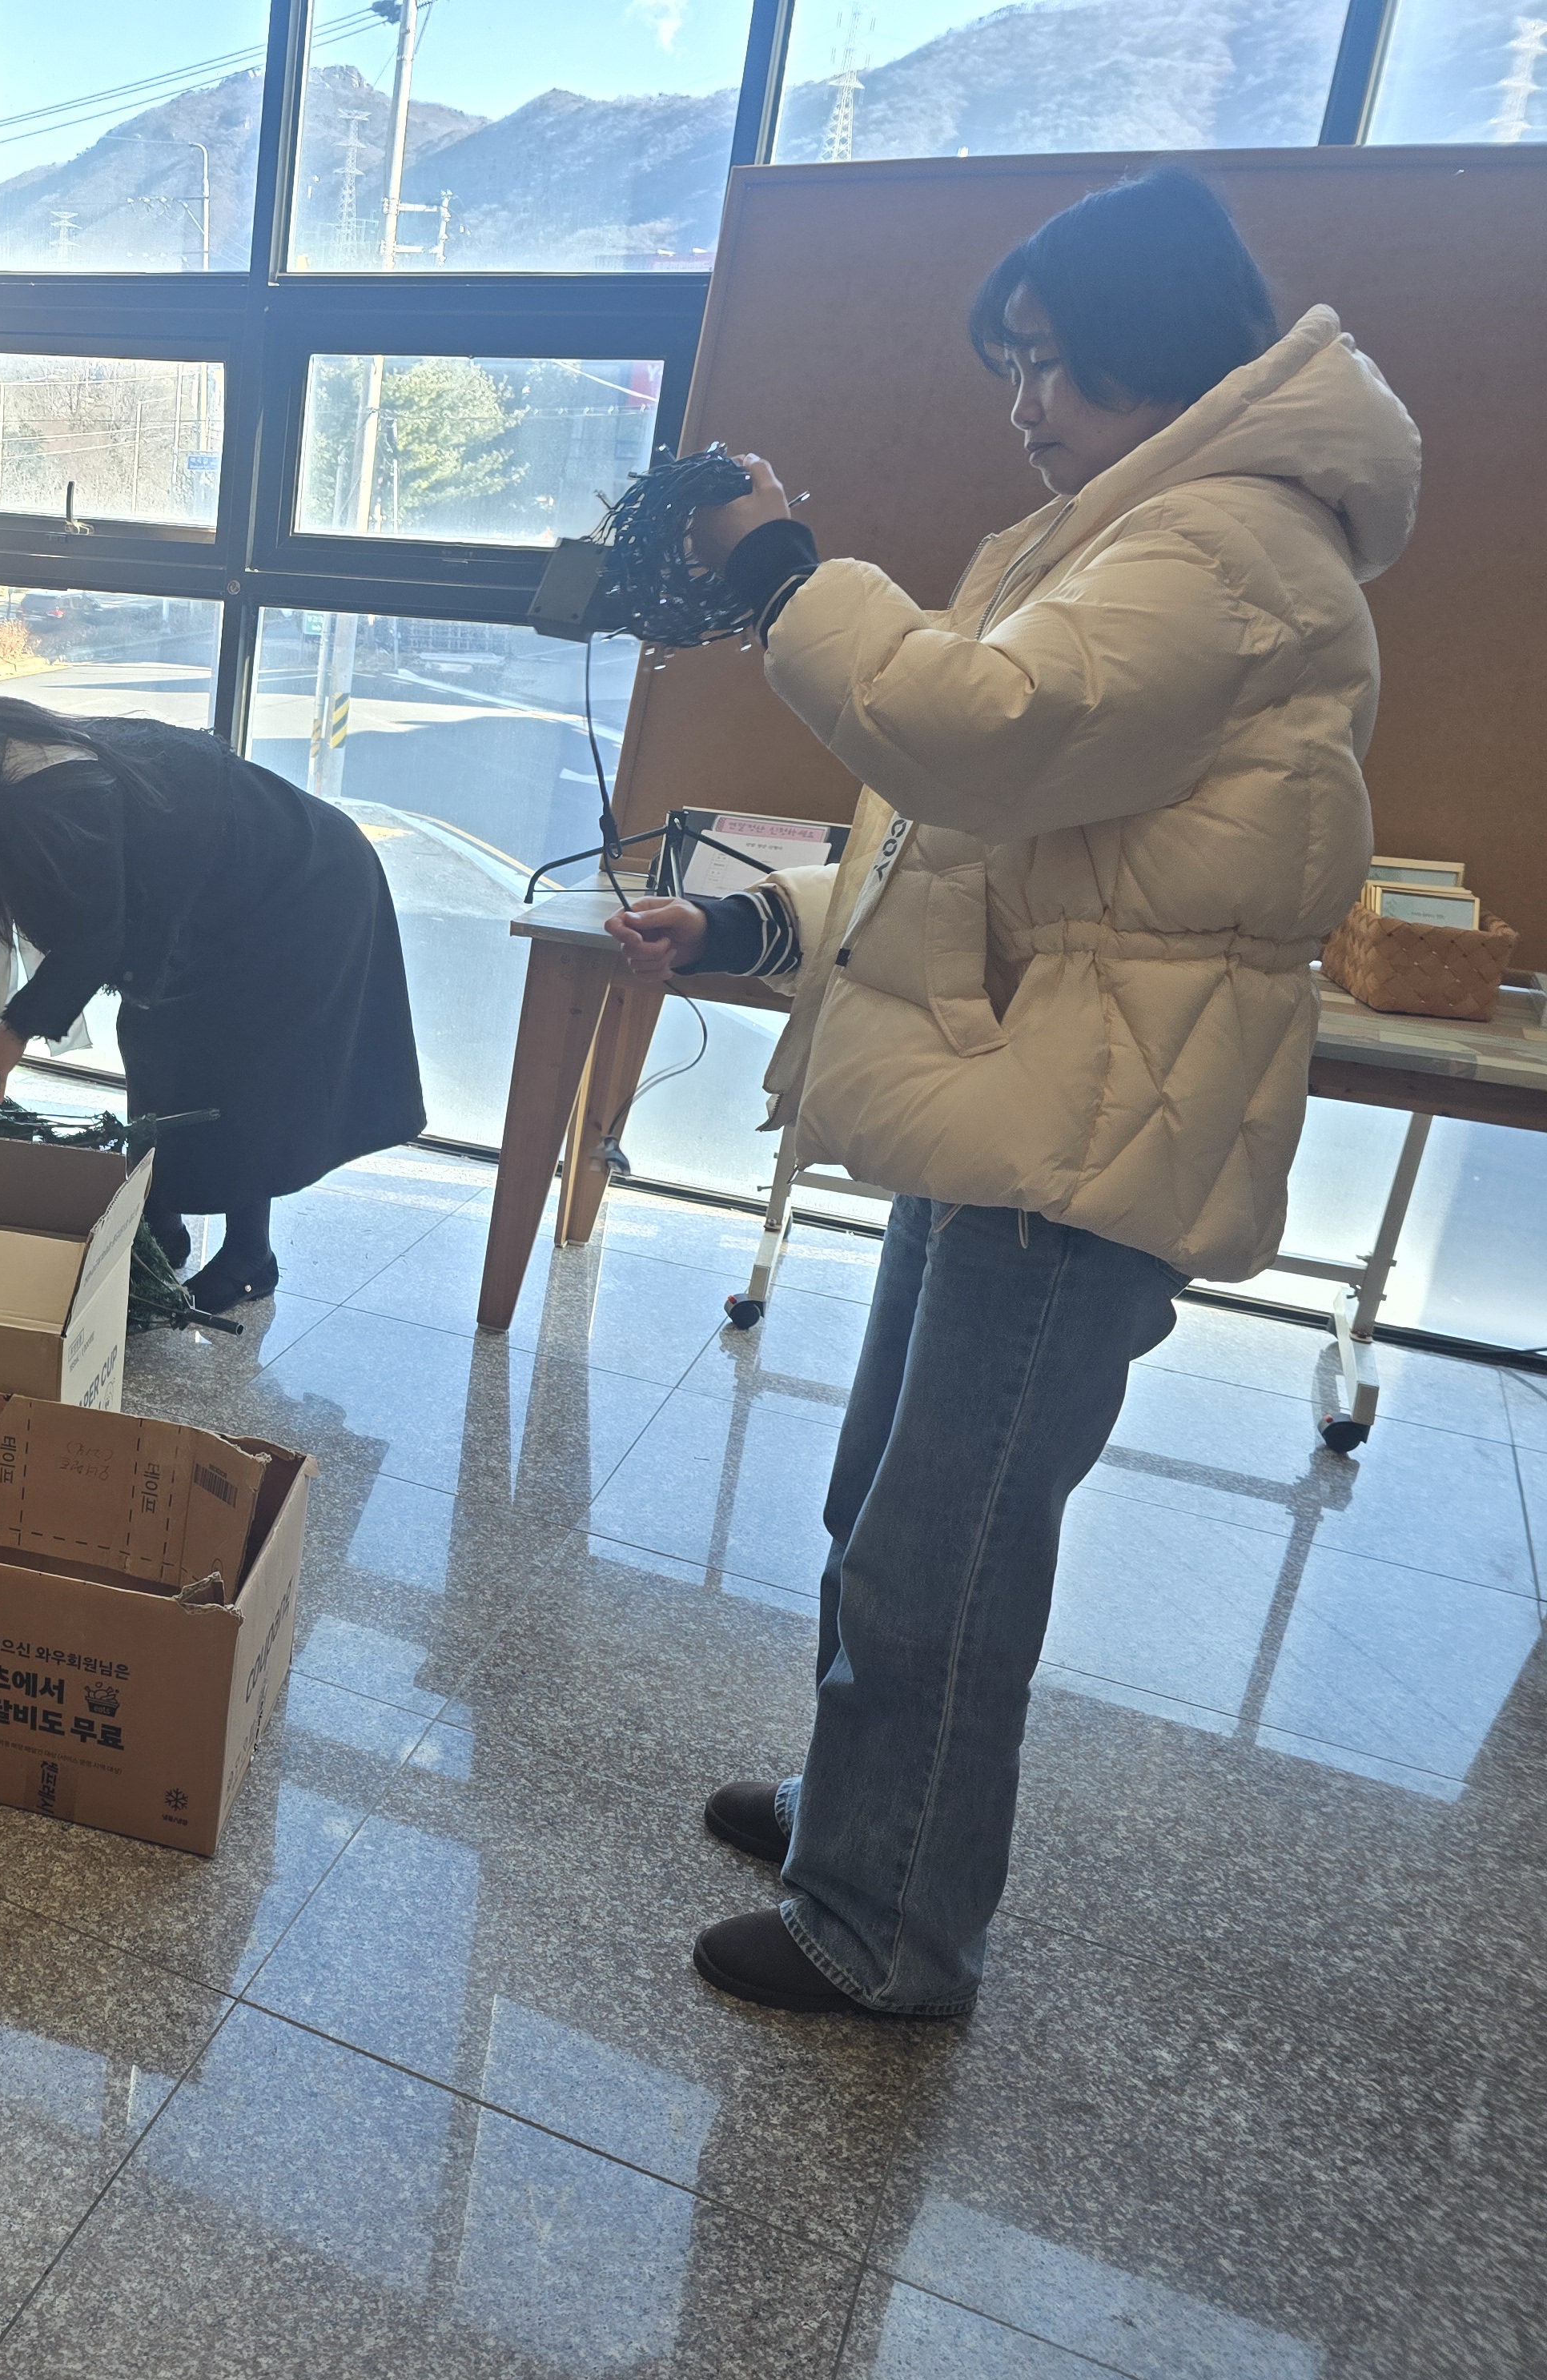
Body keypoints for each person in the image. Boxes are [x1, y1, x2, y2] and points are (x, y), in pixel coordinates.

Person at [608, 169, 1419, 2018]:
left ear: (1157, 340)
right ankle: (861, 1819)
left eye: (1051, 361)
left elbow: (968, 741)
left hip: (1081, 1145)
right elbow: (961, 856)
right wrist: (743, 924)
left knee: (943, 1551)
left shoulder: (1220, 552)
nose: (1025, 406)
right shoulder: (1130, 537)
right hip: (1018, 1111)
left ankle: (886, 1927)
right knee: (879, 1505)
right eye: (1011, 368)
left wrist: (781, 573)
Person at [0, 671, 426, 1312]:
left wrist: (14, 1029)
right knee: (155, 1042)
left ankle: (249, 1259)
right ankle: (159, 1227)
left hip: (300, 883)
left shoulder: (52, 786)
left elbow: (97, 935)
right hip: (215, 897)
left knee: (240, 1072)